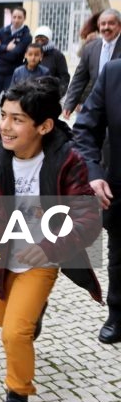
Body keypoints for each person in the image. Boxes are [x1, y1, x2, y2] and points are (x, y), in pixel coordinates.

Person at [0, 77, 102, 402]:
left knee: (13, 333)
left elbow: (88, 219)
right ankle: (28, 319)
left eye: (17, 119)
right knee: (4, 321)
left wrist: (46, 248)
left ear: (44, 126)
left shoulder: (67, 161)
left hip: (42, 260)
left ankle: (18, 394)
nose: (4, 126)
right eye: (3, 116)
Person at [73, 58, 121, 344]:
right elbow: (85, 130)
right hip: (119, 186)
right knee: (119, 255)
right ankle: (118, 313)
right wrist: (93, 172)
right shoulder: (113, 73)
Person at [63, 8, 121, 119]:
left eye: (111, 23)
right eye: (103, 24)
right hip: (95, 104)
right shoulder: (90, 48)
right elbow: (79, 78)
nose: (106, 27)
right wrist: (69, 104)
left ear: (119, 26)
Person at [0, 7, 31, 141]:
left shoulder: (26, 36)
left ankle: (9, 130)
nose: (16, 20)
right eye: (14, 17)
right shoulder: (4, 30)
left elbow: (16, 53)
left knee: (11, 104)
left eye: (19, 17)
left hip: (12, 74)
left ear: (24, 19)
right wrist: (6, 47)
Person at [32, 25, 69, 97]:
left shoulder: (57, 55)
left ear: (49, 39)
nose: (39, 42)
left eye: (42, 39)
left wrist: (59, 94)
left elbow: (64, 77)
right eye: (37, 39)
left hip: (50, 95)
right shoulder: (32, 53)